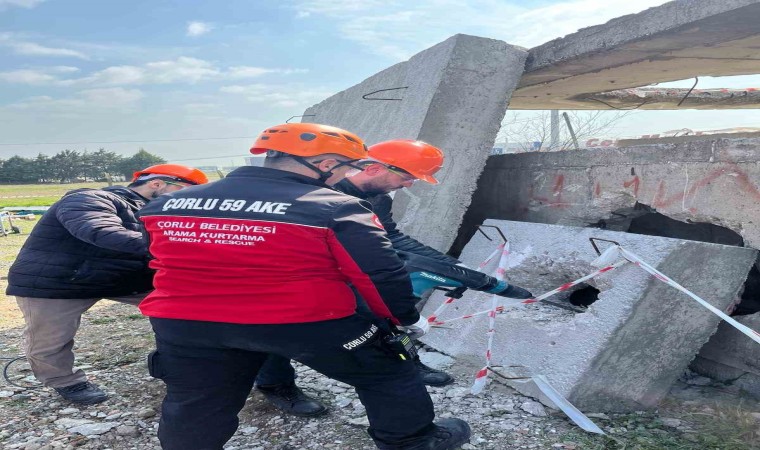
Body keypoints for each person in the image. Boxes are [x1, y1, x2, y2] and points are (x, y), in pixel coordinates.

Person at [137, 123, 471, 450]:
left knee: (197, 400)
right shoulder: (336, 207)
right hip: (302, 319)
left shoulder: (166, 204)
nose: (346, 175)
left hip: (186, 322)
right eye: (346, 167)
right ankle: (414, 441)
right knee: (388, 372)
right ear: (326, 164)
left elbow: (154, 257)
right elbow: (379, 273)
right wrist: (405, 317)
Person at [254, 139, 459, 417]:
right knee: (273, 331)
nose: (410, 184)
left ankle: (407, 363)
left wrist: (450, 265)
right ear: (375, 168)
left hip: (352, 275)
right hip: (297, 279)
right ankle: (276, 385)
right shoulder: (317, 193)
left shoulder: (379, 199)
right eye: (407, 177)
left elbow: (390, 237)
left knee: (384, 320)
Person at [6, 164, 208, 405]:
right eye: (185, 191)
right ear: (157, 184)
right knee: (50, 338)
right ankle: (64, 381)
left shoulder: (158, 210)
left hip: (122, 279)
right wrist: (177, 245)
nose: (189, 198)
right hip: (61, 281)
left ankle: (178, 360)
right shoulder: (89, 199)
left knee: (184, 310)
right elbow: (100, 231)